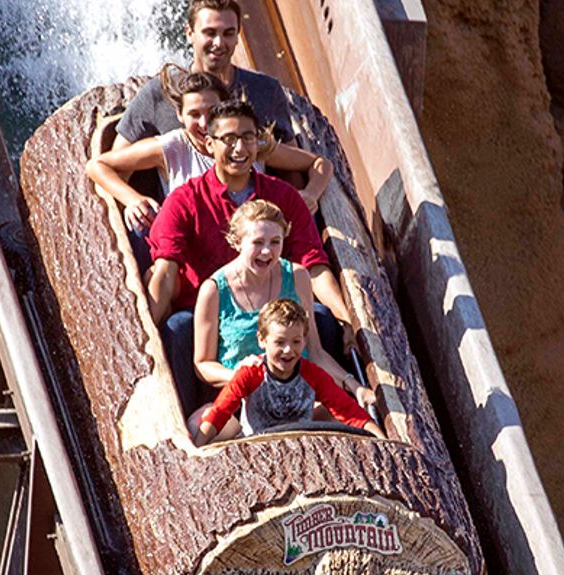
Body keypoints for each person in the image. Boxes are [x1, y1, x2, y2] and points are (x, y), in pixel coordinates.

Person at [148, 99, 357, 413]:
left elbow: (313, 266)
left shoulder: (282, 196)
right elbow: (164, 273)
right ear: (209, 144)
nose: (239, 148)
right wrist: (145, 334)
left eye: (248, 137)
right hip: (208, 313)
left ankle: (326, 405)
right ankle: (187, 414)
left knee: (323, 318)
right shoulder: (184, 200)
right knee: (177, 328)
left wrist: (348, 319)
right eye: (229, 139)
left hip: (275, 306)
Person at [190, 200, 373, 438]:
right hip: (241, 401)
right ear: (237, 241)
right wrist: (239, 375)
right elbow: (202, 364)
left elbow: (315, 352)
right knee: (198, 427)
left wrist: (354, 386)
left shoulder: (297, 276)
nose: (267, 251)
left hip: (298, 398)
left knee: (353, 421)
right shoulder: (214, 290)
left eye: (275, 242)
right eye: (258, 242)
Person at [86, 67, 333, 237]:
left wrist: (310, 193)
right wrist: (132, 199)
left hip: (254, 245)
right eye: (194, 114)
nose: (204, 123)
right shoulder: (172, 146)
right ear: (180, 115)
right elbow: (97, 165)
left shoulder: (248, 145)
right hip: (194, 248)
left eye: (211, 112)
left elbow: (320, 164)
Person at [192, 298, 386, 446]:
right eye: (279, 342)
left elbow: (348, 411)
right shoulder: (250, 374)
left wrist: (382, 441)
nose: (288, 350)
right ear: (262, 340)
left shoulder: (312, 375)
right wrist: (198, 446)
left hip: (303, 446)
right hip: (258, 446)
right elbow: (220, 411)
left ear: (304, 341)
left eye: (296, 342)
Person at [114, 0, 295, 152]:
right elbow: (114, 161)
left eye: (228, 33)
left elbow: (294, 167)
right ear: (189, 34)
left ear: (237, 36)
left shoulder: (266, 90)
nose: (219, 43)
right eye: (210, 33)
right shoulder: (160, 92)